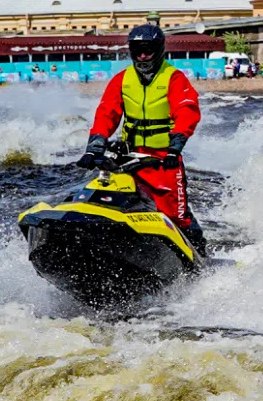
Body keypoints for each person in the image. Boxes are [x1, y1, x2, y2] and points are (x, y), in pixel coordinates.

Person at [78, 24, 206, 254]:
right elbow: (106, 114)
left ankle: (200, 257)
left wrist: (174, 148)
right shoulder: (121, 79)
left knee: (176, 216)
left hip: (163, 159)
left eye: (148, 50)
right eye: (138, 51)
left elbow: (187, 111)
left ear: (159, 50)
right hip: (129, 156)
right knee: (112, 200)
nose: (143, 56)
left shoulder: (174, 78)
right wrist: (93, 149)